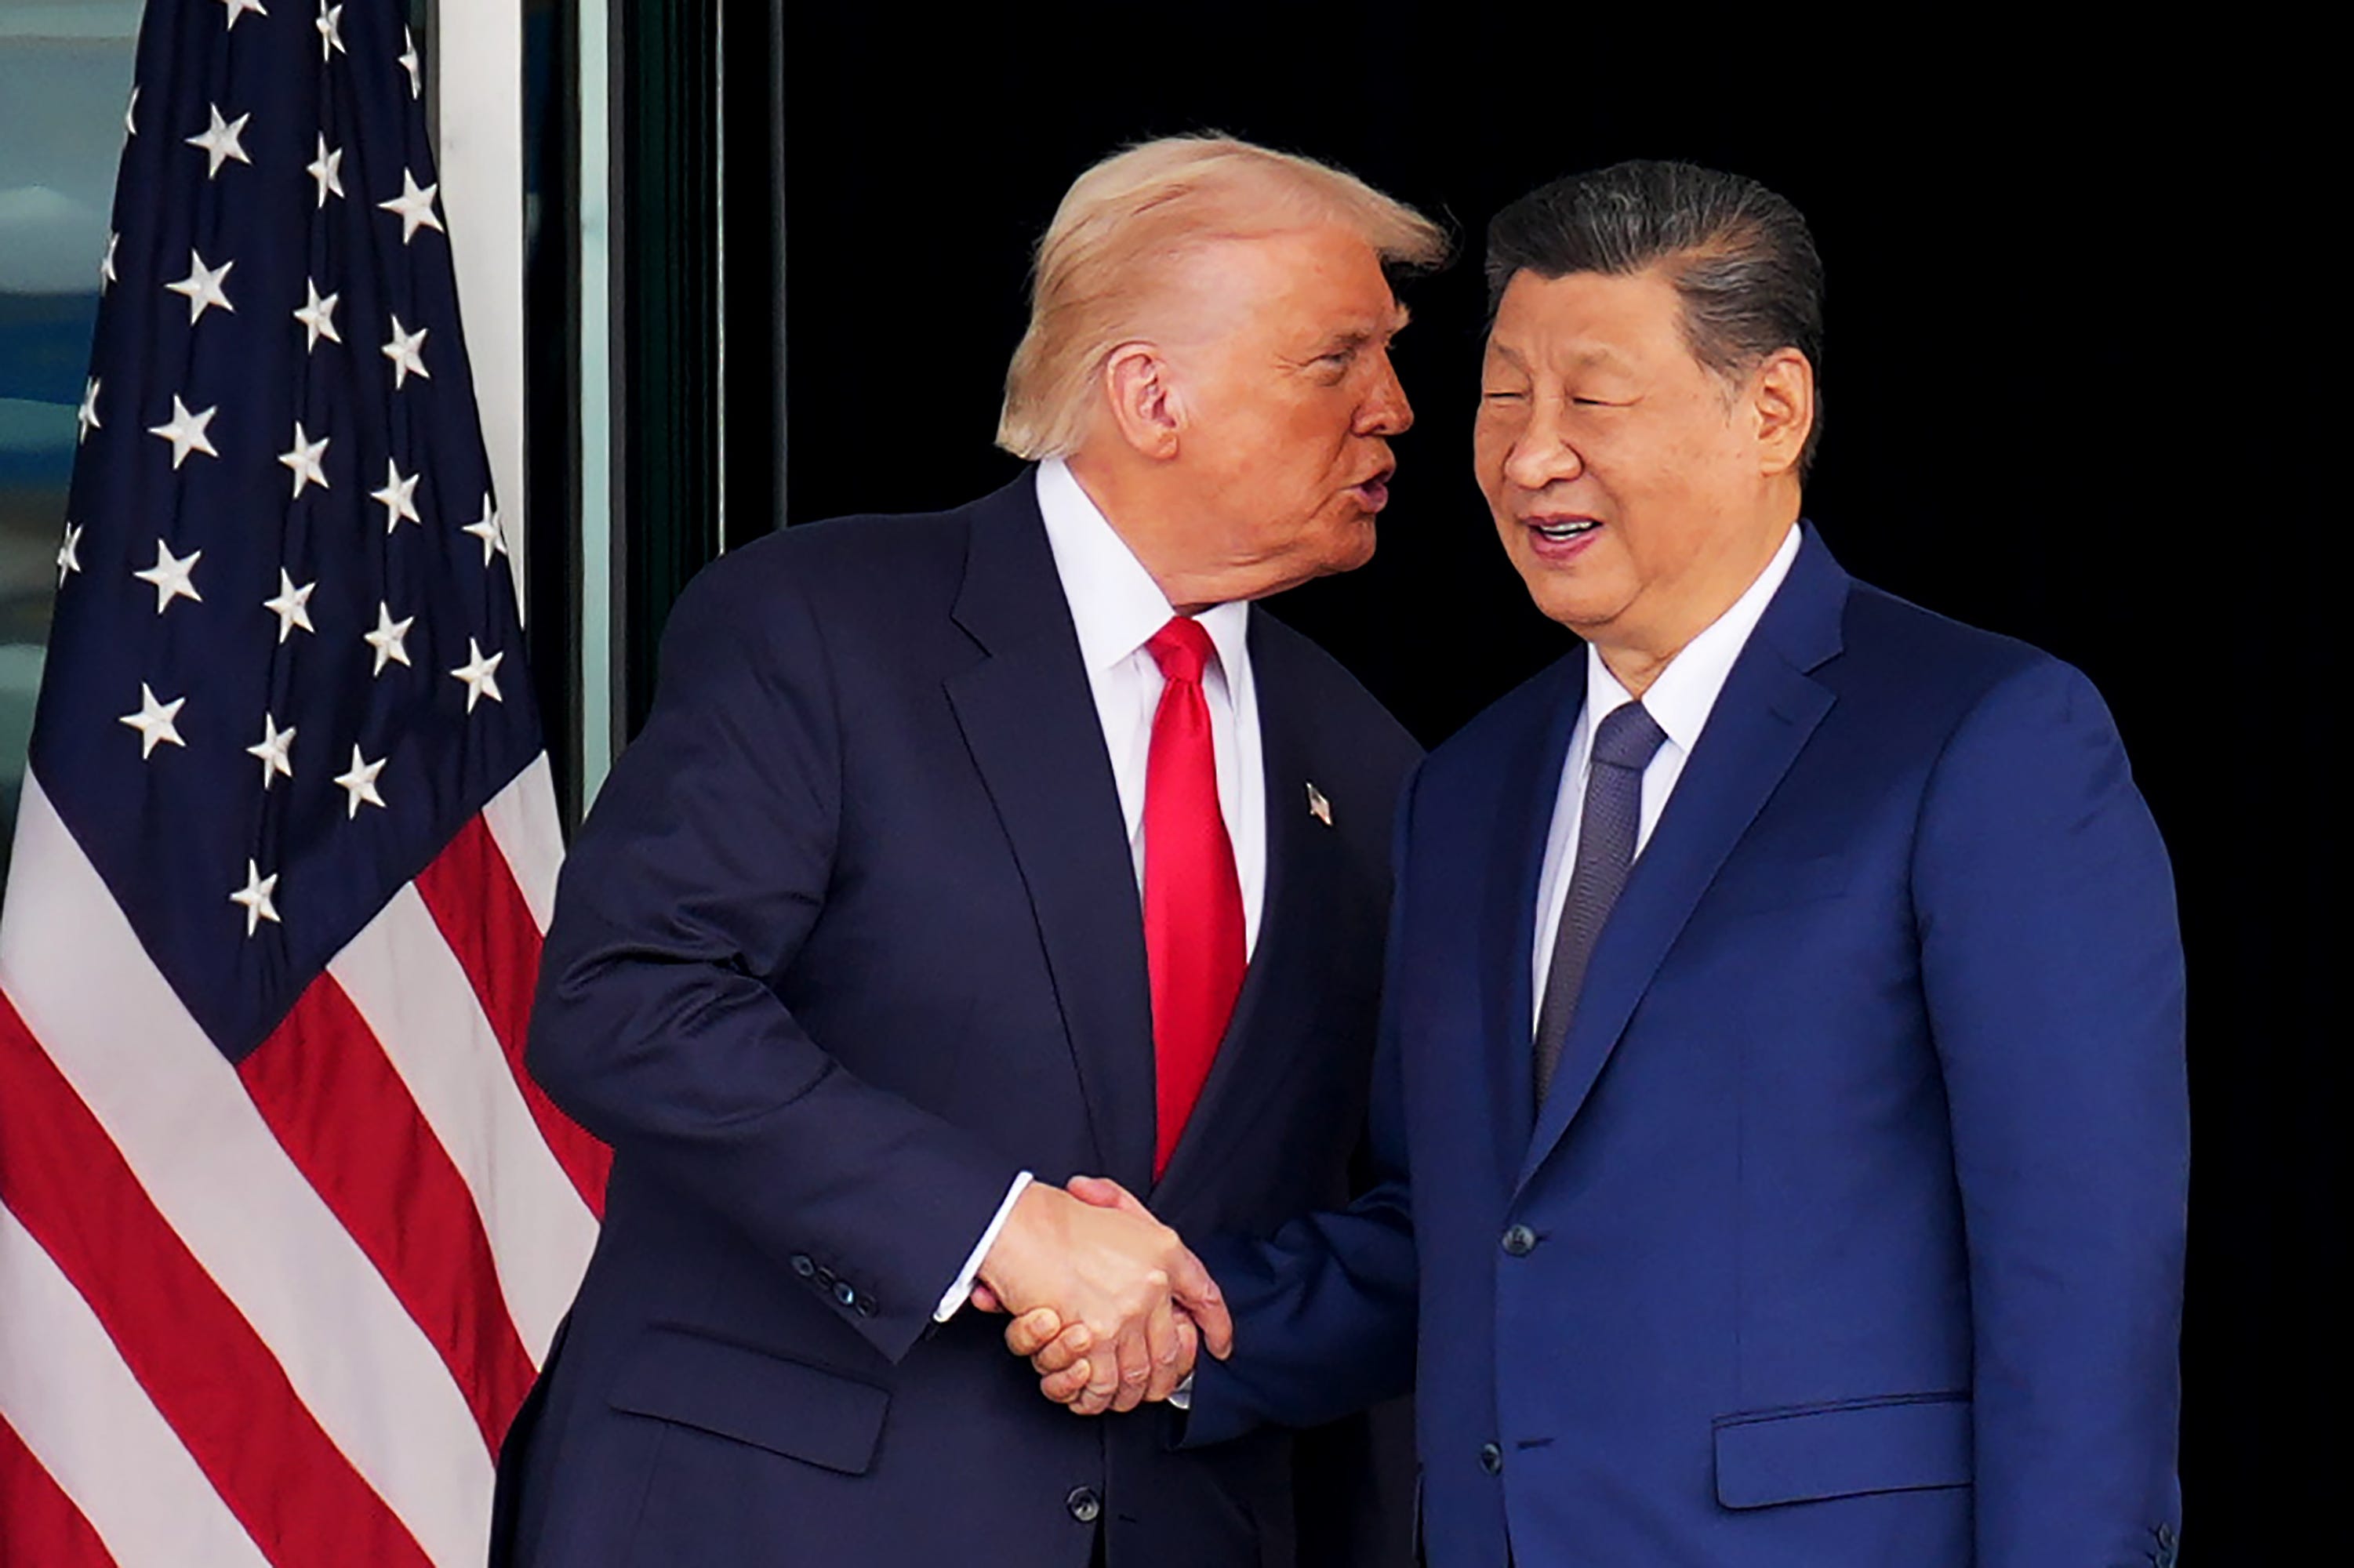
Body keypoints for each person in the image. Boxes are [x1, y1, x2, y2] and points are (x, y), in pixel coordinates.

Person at [1012, 160, 2189, 1567]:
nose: (1527, 455)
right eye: (1504, 394)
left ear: (1772, 412)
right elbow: (1445, 1233)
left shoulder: (1979, 736)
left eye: (1593, 399)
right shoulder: (1461, 789)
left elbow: (2080, 1281)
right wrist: (1176, 1333)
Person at [488, 135, 1444, 1568]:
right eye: (1337, 358)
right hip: (769, 1519)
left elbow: (1413, 1206)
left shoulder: (1373, 763)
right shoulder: (824, 623)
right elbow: (627, 995)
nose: (1396, 410)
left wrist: (1187, 1347)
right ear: (1149, 392)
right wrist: (999, 1229)